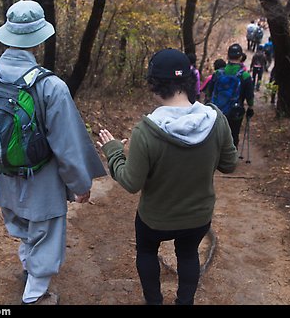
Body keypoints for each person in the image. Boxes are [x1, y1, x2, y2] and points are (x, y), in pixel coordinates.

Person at [0, 0, 106, 305]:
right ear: (39, 38)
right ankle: (35, 294)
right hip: (41, 179)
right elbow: (66, 145)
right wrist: (81, 184)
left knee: (24, 228)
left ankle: (29, 271)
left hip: (1, 171)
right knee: (46, 232)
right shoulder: (50, 85)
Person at [96, 48, 238, 305]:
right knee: (188, 253)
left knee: (147, 250)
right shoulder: (216, 119)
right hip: (198, 217)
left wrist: (114, 151)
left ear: (154, 85)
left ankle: (154, 301)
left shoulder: (146, 131)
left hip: (155, 219)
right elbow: (230, 165)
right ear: (188, 81)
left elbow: (130, 182)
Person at [205, 43, 254, 149]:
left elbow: (209, 92)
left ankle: (216, 158)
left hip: (217, 111)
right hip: (235, 112)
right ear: (241, 57)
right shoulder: (245, 76)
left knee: (217, 135)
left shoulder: (218, 73)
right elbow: (249, 96)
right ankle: (230, 159)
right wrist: (250, 108)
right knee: (233, 135)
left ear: (227, 56)